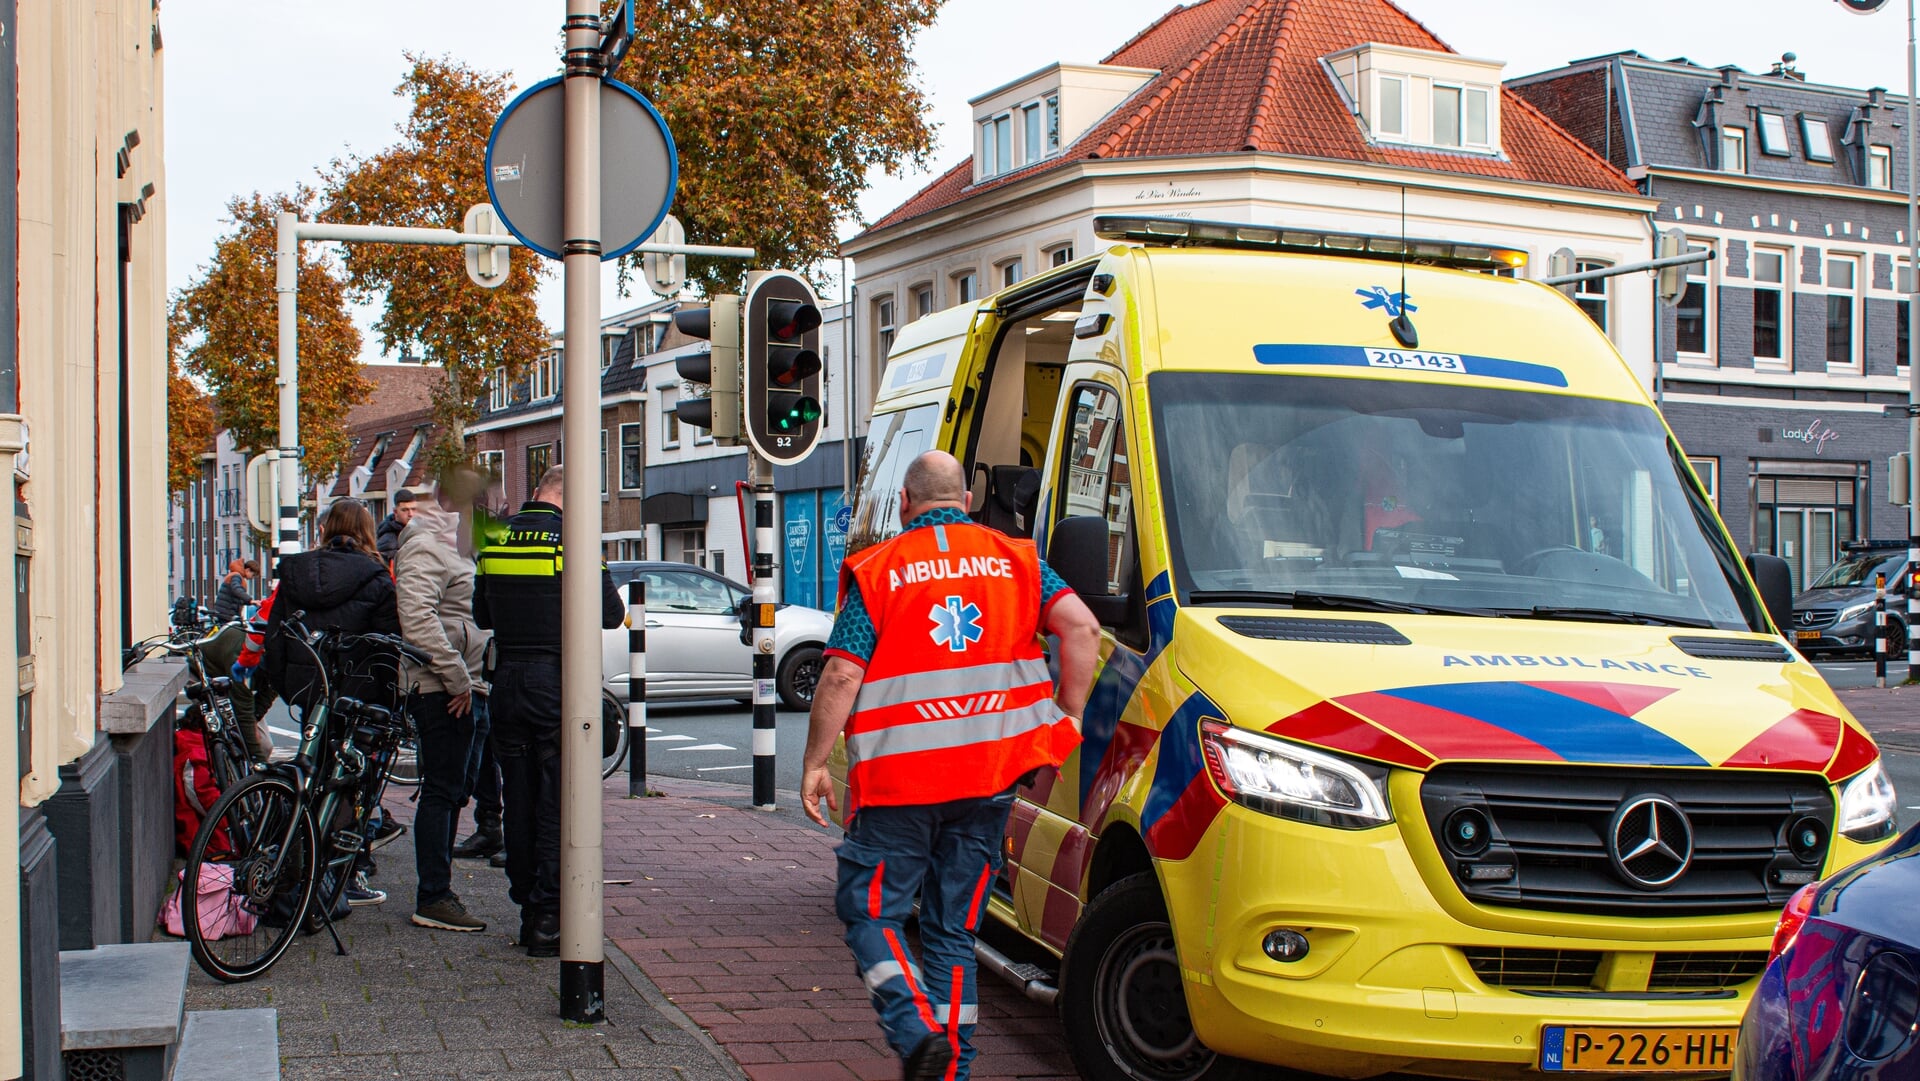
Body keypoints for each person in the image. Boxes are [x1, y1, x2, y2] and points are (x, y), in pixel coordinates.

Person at [801, 451, 1101, 1081]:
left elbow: (842, 672)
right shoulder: (1018, 561)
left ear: (905, 504)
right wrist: (1067, 718)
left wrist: (814, 764)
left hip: (902, 787)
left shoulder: (881, 567)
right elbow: (1080, 630)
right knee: (952, 932)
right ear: (965, 501)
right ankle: (950, 1070)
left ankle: (913, 1033)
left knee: (871, 911)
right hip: (989, 782)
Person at [473, 465, 624, 956]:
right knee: (560, 802)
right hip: (556, 682)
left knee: (516, 800)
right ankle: (547, 917)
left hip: (506, 682)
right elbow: (610, 614)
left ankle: (524, 905)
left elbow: (482, 615)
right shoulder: (573, 543)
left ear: (536, 491)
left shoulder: (495, 541)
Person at [261, 499, 404, 907]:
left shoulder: (295, 573)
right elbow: (387, 648)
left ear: (325, 529)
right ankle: (343, 874)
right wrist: (386, 700)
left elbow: (276, 638)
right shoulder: (377, 577)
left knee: (312, 769)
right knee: (350, 783)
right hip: (355, 696)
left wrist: (289, 684)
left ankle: (296, 862)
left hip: (309, 691)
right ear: (366, 531)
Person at [395, 488, 493, 932]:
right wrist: (456, 677)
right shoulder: (427, 544)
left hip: (468, 686)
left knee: (457, 788)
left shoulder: (457, 544)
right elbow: (416, 616)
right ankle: (433, 895)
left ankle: (438, 890)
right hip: (443, 689)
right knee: (441, 789)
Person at [377, 488, 418, 567]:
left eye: (413, 509)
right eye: (405, 510)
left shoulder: (420, 531)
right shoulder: (388, 541)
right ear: (395, 512)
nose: (411, 514)